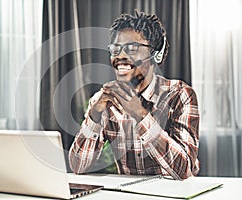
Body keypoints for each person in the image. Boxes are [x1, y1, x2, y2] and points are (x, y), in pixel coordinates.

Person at [69, 10, 200, 180]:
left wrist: (139, 113)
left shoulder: (180, 95)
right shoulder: (103, 100)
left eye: (132, 48)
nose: (121, 56)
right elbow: (78, 167)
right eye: (115, 49)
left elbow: (184, 170)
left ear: (156, 54)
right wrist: (94, 116)